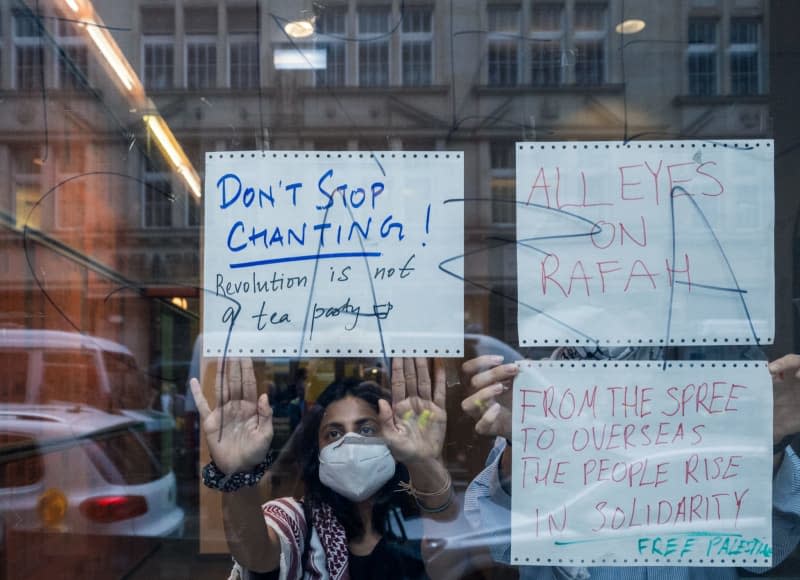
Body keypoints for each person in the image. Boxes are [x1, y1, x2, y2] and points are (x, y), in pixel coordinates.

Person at [458, 347, 800, 580]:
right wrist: (523, 445)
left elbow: (770, 546)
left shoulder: (718, 394)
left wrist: (768, 443)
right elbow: (498, 546)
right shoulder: (541, 396)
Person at [190, 357, 453, 580]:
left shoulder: (415, 521)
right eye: (334, 433)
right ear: (318, 453)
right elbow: (255, 554)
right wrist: (239, 472)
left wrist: (422, 461)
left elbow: (451, 558)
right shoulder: (300, 521)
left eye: (366, 429)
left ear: (392, 442)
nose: (350, 443)